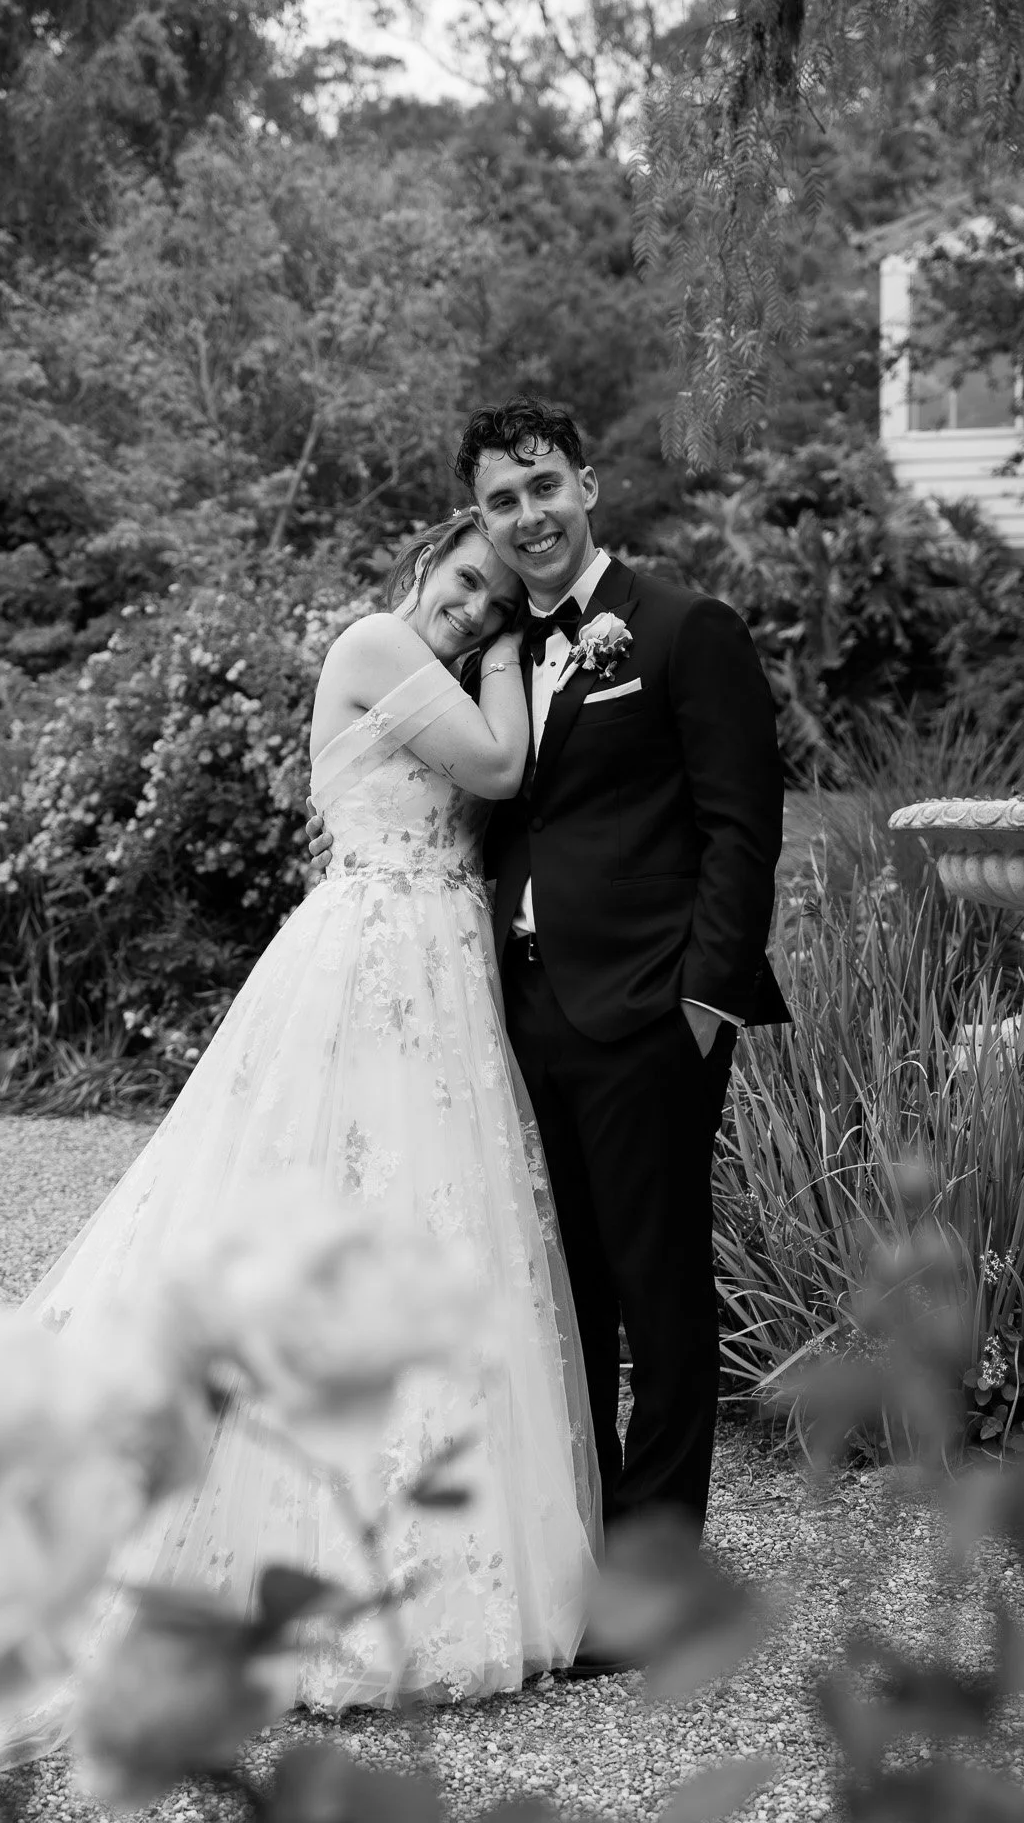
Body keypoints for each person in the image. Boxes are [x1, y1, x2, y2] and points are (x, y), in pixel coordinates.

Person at [0, 512, 599, 1791]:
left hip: (441, 975)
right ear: (425, 564)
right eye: (469, 583)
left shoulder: (429, 664)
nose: (475, 609)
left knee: (426, 1228)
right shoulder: (378, 641)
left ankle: (414, 1571)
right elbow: (499, 764)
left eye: (494, 604)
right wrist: (524, 648)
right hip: (371, 964)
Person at [312, 398, 789, 1680]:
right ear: (477, 516)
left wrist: (703, 1001)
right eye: (502, 499)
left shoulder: (682, 628)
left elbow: (742, 829)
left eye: (543, 487)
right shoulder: (486, 651)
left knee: (660, 1298)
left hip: (647, 1017)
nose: (528, 516)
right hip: (511, 1019)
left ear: (589, 483)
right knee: (558, 1300)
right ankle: (573, 1562)